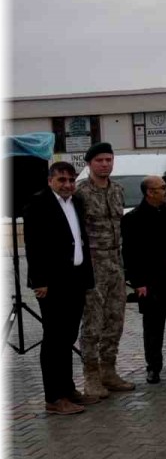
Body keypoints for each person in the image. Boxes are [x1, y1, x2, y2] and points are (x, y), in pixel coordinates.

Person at [24, 162, 98, 415]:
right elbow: (33, 245)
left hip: (75, 279)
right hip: (52, 284)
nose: (67, 185)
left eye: (70, 180)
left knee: (68, 337)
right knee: (54, 339)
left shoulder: (75, 202)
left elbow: (80, 241)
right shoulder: (38, 204)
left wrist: (87, 278)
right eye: (61, 180)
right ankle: (54, 398)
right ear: (50, 181)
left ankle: (68, 389)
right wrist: (39, 281)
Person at [73, 142, 134, 396]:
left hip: (115, 264)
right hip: (93, 263)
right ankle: (91, 376)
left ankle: (109, 371)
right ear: (89, 163)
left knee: (115, 320)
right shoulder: (80, 193)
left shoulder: (118, 191)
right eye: (100, 160)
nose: (105, 164)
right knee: (93, 323)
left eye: (109, 160)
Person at [123, 175, 166, 383]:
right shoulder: (133, 219)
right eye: (162, 188)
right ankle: (153, 367)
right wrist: (138, 283)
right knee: (153, 328)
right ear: (150, 192)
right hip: (151, 282)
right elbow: (130, 254)